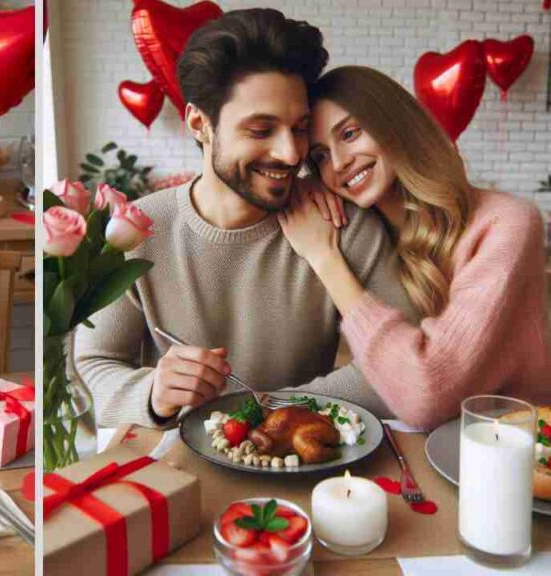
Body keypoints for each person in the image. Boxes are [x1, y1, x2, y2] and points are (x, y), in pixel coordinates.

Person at [74, 8, 418, 428]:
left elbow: (397, 373)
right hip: (175, 470)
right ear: (199, 123)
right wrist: (153, 394)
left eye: (299, 128)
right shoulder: (136, 228)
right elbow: (95, 363)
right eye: (261, 131)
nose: (291, 154)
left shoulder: (339, 223)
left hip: (306, 465)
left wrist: (266, 410)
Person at [278, 65, 550, 429]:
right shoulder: (366, 232)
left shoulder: (508, 225)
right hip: (424, 446)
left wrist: (325, 259)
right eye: (321, 156)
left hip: (518, 447)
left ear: (395, 123)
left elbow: (427, 391)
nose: (340, 163)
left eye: (350, 133)